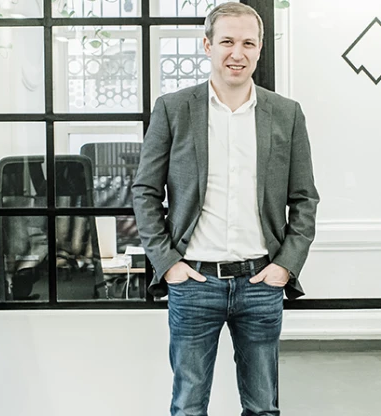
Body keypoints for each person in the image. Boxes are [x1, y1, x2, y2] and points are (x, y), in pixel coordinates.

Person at [131, 3, 319, 414]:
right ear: (207, 46)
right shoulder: (174, 109)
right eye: (227, 41)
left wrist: (285, 266)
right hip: (194, 282)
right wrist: (169, 264)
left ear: (260, 48)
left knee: (263, 408)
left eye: (248, 43)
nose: (238, 53)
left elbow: (305, 199)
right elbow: (145, 191)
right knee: (188, 407)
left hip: (261, 283)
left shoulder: (286, 113)